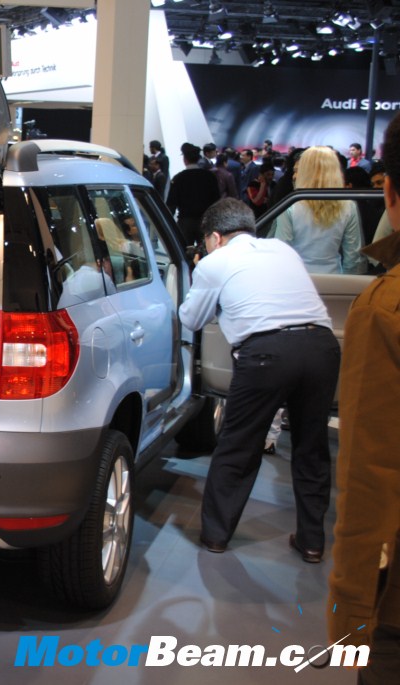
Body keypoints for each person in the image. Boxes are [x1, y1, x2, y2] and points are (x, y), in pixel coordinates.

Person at [179, 198, 339, 559]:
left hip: (267, 353)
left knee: (239, 444)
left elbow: (191, 318)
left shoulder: (215, 261)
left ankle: (216, 535)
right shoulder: (283, 250)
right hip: (321, 347)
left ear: (215, 237)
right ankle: (312, 542)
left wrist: (198, 273)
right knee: (311, 447)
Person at [328, 111, 400, 684]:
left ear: (390, 190)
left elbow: (371, 476)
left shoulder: (384, 309)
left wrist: (349, 625)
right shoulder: (348, 215)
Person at [272, 146, 365, 274]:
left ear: (305, 172)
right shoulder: (349, 206)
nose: (294, 176)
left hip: (299, 278)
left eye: (297, 170)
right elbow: (353, 257)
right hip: (334, 279)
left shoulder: (290, 206)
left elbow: (282, 252)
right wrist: (347, 283)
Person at [166, 143, 220, 246]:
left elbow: (171, 203)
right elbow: (217, 200)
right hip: (206, 221)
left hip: (185, 221)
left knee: (184, 251)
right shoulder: (209, 177)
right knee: (206, 250)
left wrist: (168, 223)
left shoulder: (179, 178)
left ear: (185, 160)